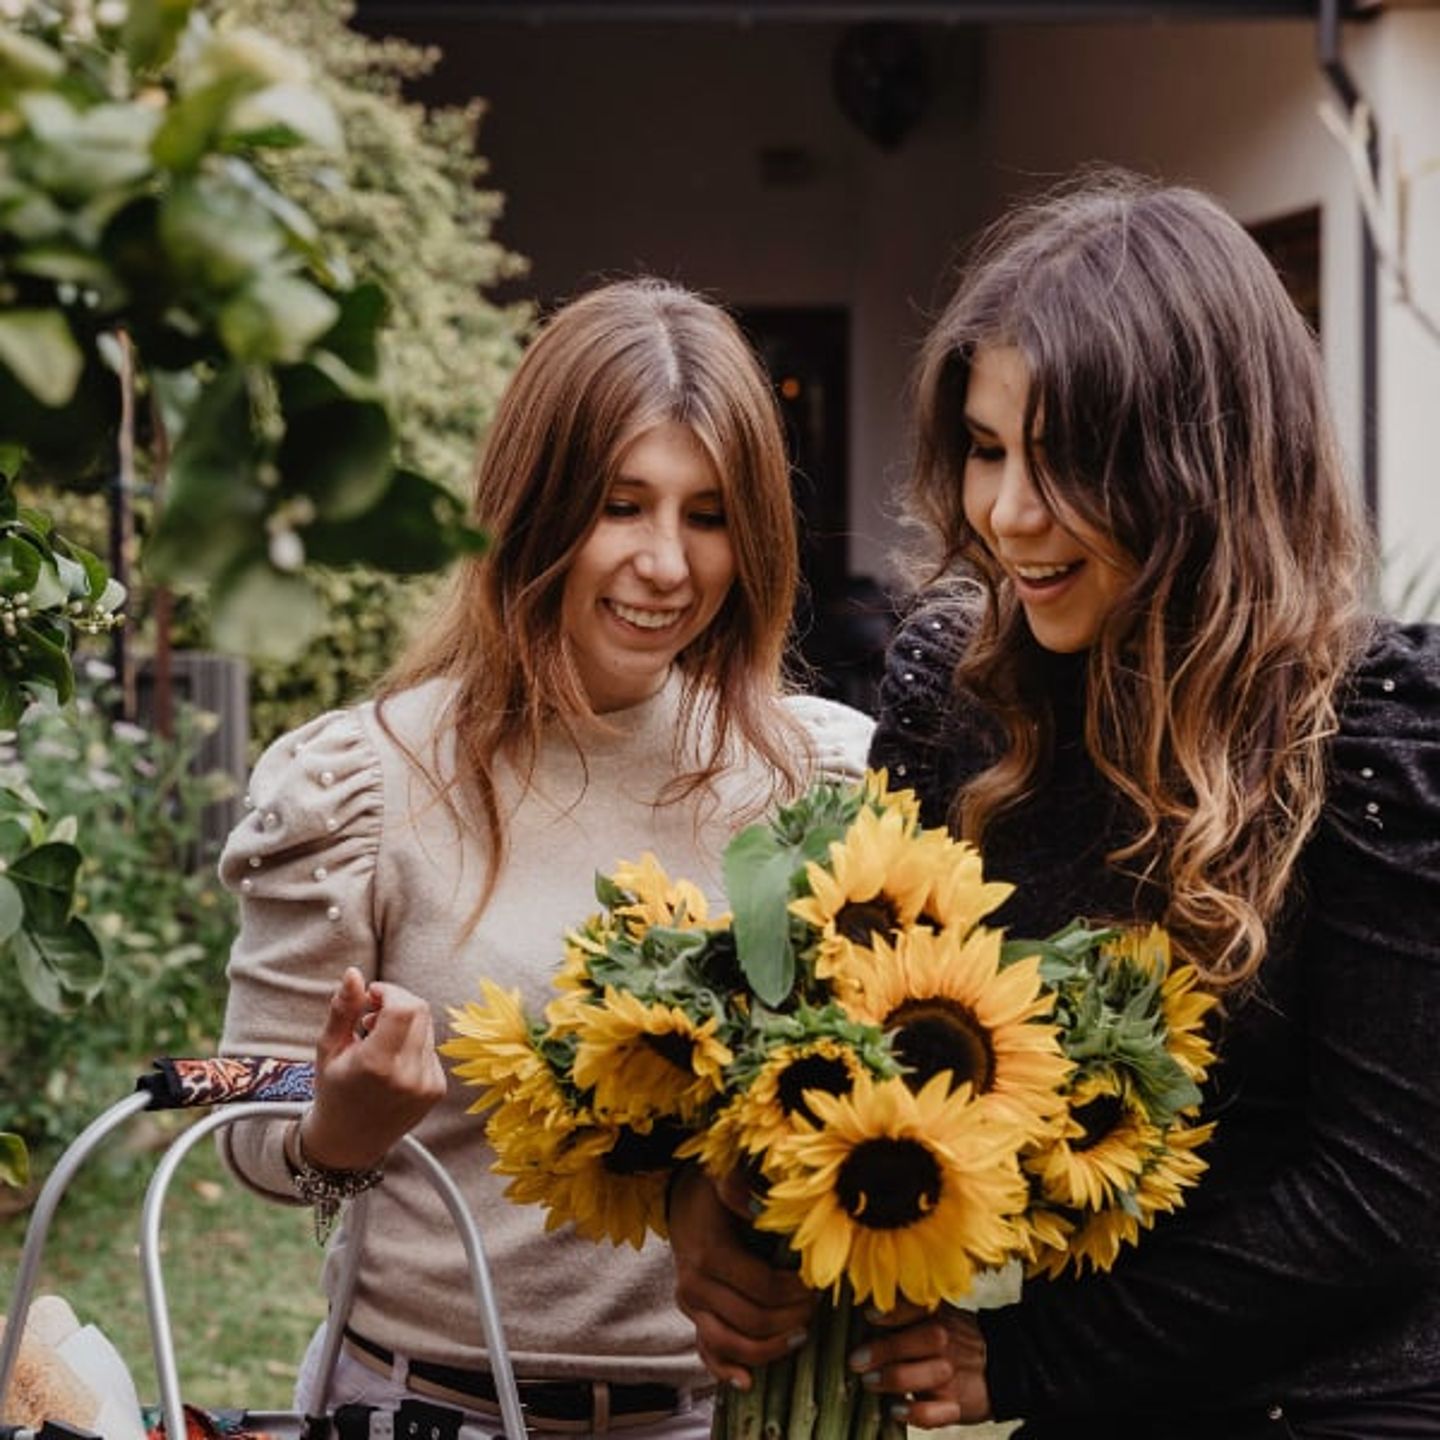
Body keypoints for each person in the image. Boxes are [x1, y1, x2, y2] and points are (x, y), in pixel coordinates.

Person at [667, 172, 1440, 1437]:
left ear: (1203, 467)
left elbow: (1384, 1199)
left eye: (1067, 460)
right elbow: (869, 1031)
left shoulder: (1373, 734)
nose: (1010, 514)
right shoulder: (954, 695)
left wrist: (1027, 1362)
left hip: (1341, 1403)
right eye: (986, 449)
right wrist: (731, 1188)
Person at [217, 278, 875, 1439]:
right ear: (536, 502)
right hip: (428, 1408)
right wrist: (335, 1125)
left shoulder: (815, 781)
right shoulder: (362, 785)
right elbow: (242, 1107)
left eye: (709, 515)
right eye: (623, 505)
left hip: (720, 1418)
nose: (667, 563)